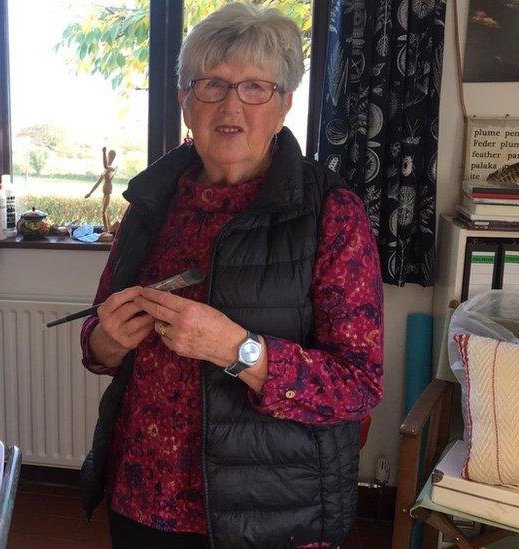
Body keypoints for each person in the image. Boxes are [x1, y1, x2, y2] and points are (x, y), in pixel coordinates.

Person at [78, 4, 384, 548]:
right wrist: (106, 340)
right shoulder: (151, 203)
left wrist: (238, 350)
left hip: (265, 513)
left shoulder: (332, 213)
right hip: (141, 492)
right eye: (212, 85)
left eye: (255, 88)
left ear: (285, 103)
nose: (231, 105)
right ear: (185, 101)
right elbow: (97, 341)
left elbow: (358, 387)